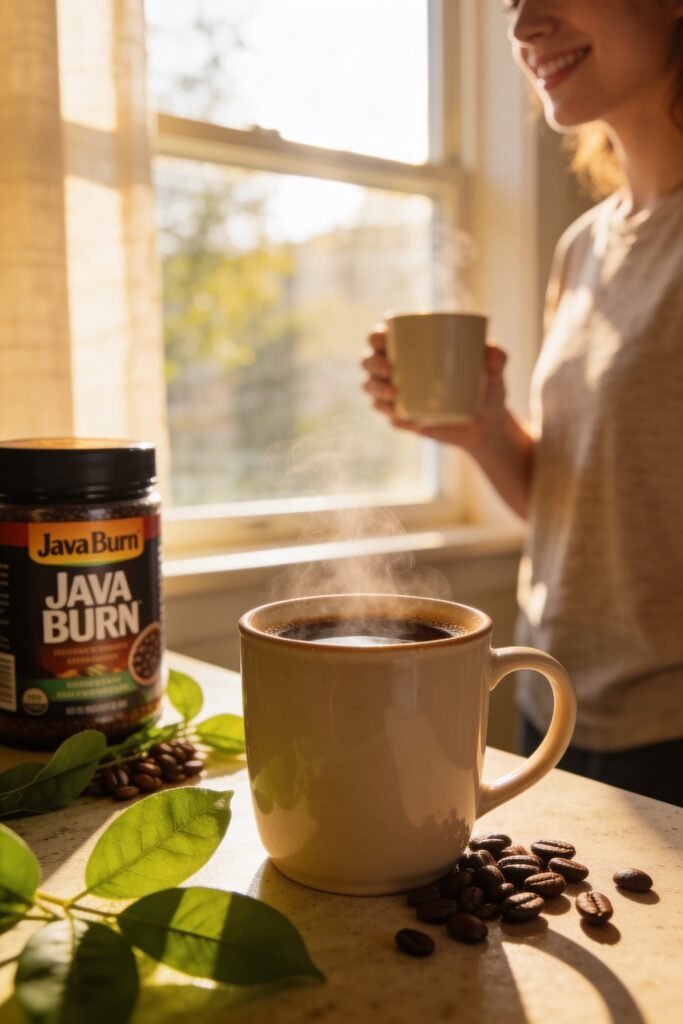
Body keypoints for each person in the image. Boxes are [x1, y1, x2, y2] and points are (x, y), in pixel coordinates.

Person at [361, 0, 683, 806]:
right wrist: (484, 431)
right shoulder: (584, 248)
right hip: (555, 704)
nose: (523, 24)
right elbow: (574, 500)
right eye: (508, 2)